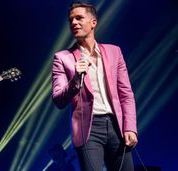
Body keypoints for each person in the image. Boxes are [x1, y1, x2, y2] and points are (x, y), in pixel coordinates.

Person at [52, 2, 138, 171]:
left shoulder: (114, 52)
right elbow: (58, 100)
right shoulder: (62, 58)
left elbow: (126, 94)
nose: (74, 23)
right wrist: (76, 79)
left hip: (116, 126)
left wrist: (130, 127)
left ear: (93, 22)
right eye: (71, 20)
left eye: (79, 18)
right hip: (88, 129)